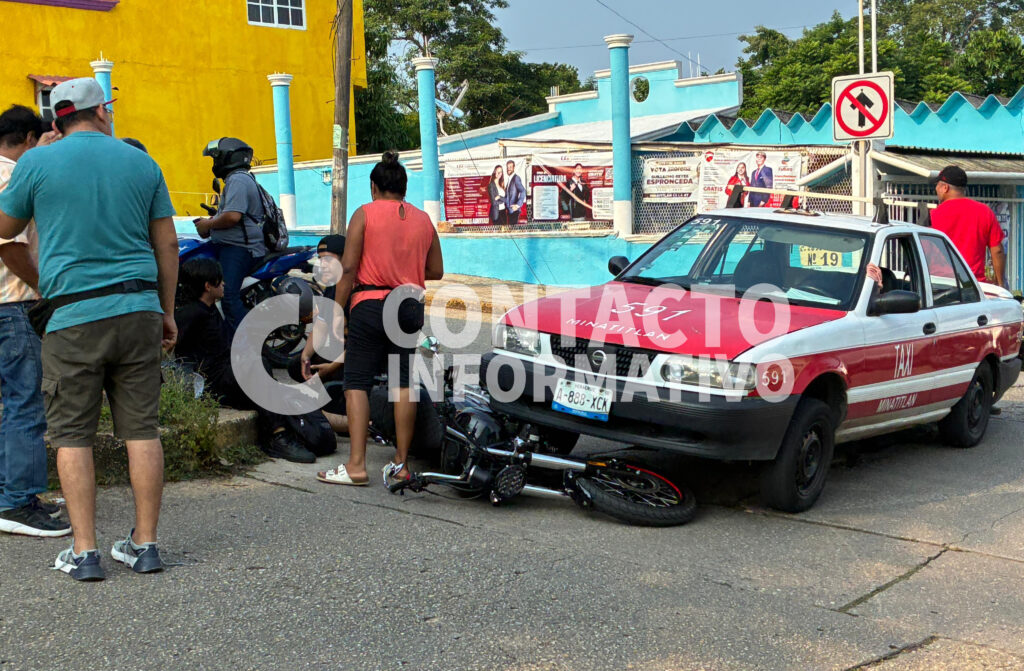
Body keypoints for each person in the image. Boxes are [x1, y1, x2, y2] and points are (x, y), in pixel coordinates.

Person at [0, 78, 178, 581]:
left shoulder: (36, 162)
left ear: (58, 120)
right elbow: (167, 245)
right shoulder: (141, 162)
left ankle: (85, 552)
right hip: (140, 308)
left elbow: (4, 229)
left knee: (72, 435)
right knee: (141, 428)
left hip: (73, 315)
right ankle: (145, 546)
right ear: (100, 111)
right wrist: (166, 311)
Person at [317, 152, 443, 487]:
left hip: (370, 303)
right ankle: (401, 465)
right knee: (403, 383)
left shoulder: (364, 214)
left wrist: (335, 312)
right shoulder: (423, 220)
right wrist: (408, 267)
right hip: (409, 305)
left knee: (356, 383)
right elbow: (436, 270)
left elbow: (348, 267)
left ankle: (356, 466)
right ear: (403, 188)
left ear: (374, 187)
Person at [0, 105, 69, 538]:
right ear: (29, 138)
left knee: (11, 405)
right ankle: (17, 502)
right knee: (25, 404)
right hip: (13, 303)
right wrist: (46, 289)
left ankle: (10, 491)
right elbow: (7, 244)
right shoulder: (10, 177)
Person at [175, 258, 317, 463]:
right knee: (256, 369)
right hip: (211, 382)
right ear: (207, 286)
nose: (224, 284)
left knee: (267, 374)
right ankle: (277, 435)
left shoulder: (209, 309)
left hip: (226, 373)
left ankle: (300, 433)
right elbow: (169, 347)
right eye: (219, 281)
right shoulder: (190, 314)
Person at [193, 138, 266, 332]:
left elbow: (233, 217)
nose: (214, 164)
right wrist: (212, 220)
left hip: (240, 248)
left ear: (226, 158)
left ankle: (246, 346)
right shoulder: (238, 179)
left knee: (227, 295)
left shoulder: (238, 180)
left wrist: (208, 224)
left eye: (215, 159)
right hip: (230, 245)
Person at [290, 234, 348, 434]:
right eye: (321, 260)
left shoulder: (357, 289)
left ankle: (355, 420)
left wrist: (330, 368)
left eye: (329, 260)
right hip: (336, 355)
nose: (323, 265)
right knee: (296, 366)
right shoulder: (332, 288)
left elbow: (362, 344)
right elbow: (321, 324)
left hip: (357, 359)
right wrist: (306, 356)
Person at [929, 165, 1006, 288]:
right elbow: (997, 250)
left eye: (937, 185)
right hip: (973, 286)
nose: (936, 189)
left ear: (945, 188)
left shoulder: (933, 215)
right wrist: (1000, 284)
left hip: (940, 284)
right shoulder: (984, 211)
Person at [504, 159, 527, 226]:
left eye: (510, 167)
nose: (509, 169)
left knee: (513, 231)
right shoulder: (509, 179)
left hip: (514, 211)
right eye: (508, 167)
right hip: (509, 212)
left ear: (514, 168)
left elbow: (523, 191)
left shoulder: (516, 178)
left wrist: (517, 205)